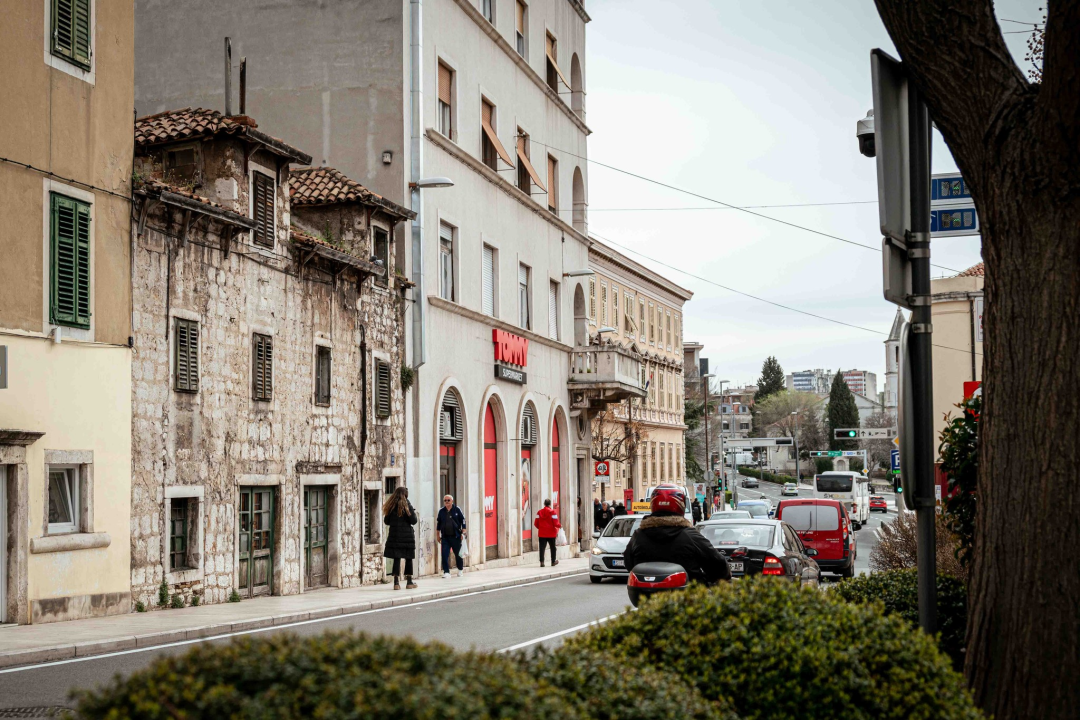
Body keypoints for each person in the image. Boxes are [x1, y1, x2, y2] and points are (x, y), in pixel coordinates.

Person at [623, 485, 730, 585]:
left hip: (647, 598)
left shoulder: (638, 535)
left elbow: (629, 563)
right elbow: (718, 563)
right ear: (680, 505)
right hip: (687, 598)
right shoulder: (690, 536)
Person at [383, 486, 418, 590]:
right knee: (408, 558)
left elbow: (386, 521)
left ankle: (396, 583)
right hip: (407, 537)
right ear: (405, 495)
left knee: (396, 558)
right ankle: (409, 581)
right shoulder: (407, 505)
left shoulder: (391, 506)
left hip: (395, 536)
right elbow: (414, 520)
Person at [436, 494, 467, 578]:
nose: (446, 502)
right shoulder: (441, 511)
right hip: (445, 537)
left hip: (456, 536)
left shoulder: (457, 510)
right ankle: (446, 572)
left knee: (458, 554)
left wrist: (463, 532)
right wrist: (438, 535)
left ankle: (460, 570)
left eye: (448, 500)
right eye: (445, 500)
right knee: (444, 554)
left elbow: (463, 521)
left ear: (452, 501)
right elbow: (438, 524)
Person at [534, 498, 561, 567]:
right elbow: (556, 523)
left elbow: (536, 523)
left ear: (544, 504)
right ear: (550, 504)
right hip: (551, 533)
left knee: (542, 548)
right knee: (553, 548)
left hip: (542, 533)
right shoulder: (553, 512)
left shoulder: (539, 512)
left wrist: (541, 528)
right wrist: (560, 526)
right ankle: (553, 561)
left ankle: (542, 562)